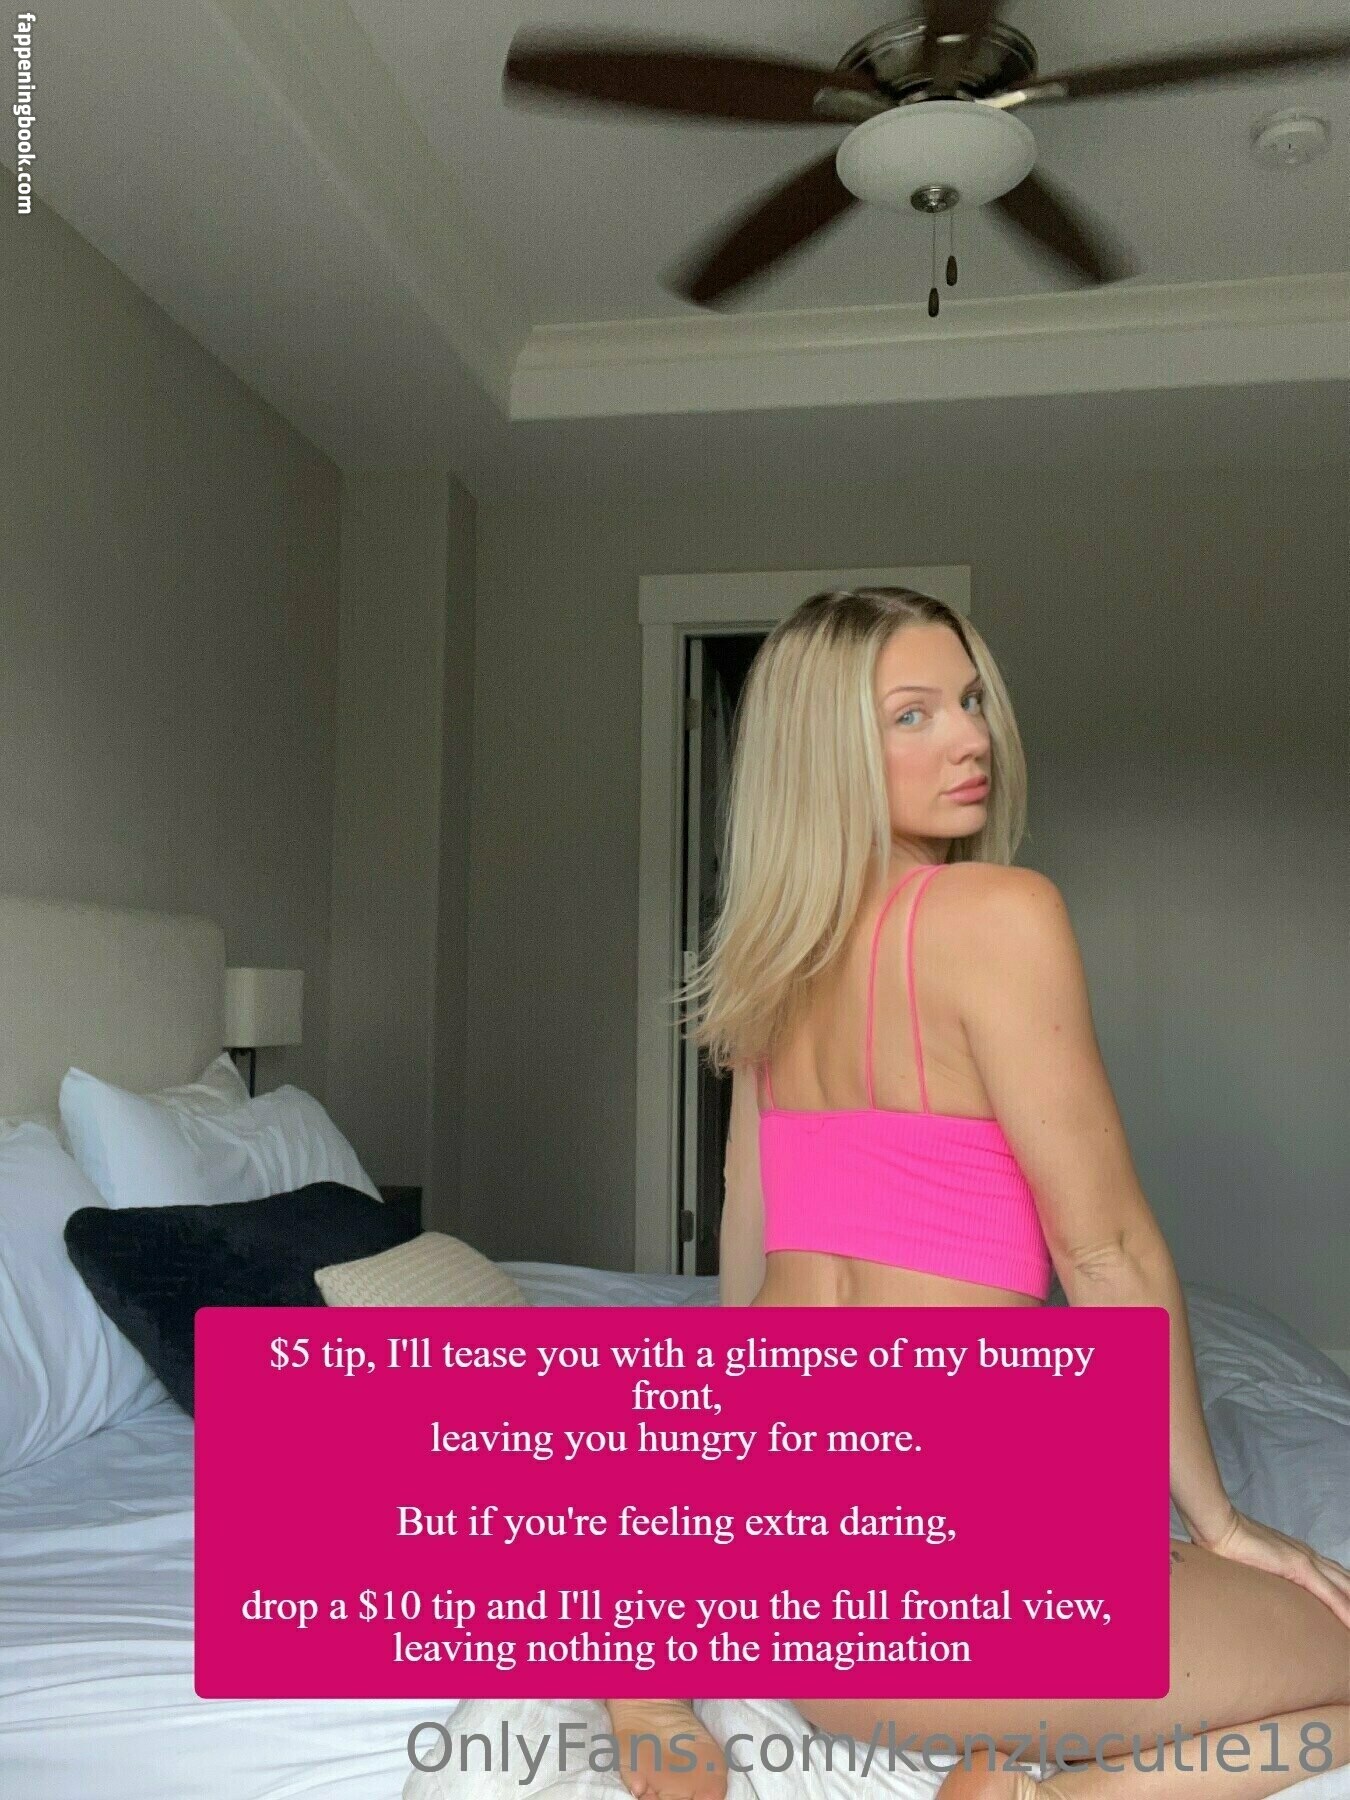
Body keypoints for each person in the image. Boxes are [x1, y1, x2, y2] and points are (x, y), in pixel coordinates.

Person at [602, 589, 1348, 1800]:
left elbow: (747, 1247)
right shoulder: (1001, 915)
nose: (970, 737)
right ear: (828, 751)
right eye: (913, 715)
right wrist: (1221, 1523)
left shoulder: (767, 959)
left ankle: (655, 1668)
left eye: (969, 701)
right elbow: (1106, 1252)